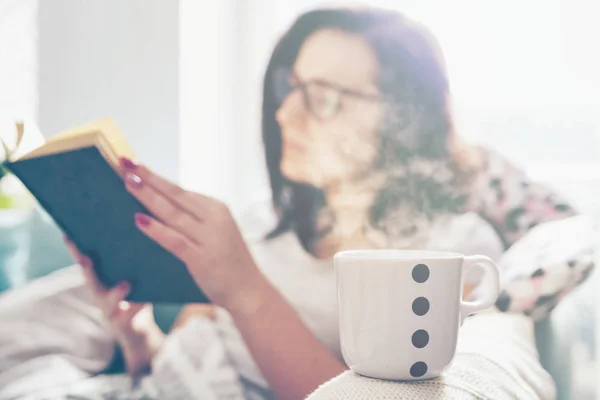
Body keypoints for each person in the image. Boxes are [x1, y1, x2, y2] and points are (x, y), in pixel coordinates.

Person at [0, 6, 592, 400]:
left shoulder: (450, 254)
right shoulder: (263, 224)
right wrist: (132, 336)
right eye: (291, 90)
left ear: (403, 118)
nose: (286, 115)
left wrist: (245, 289)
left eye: (325, 98)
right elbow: (172, 371)